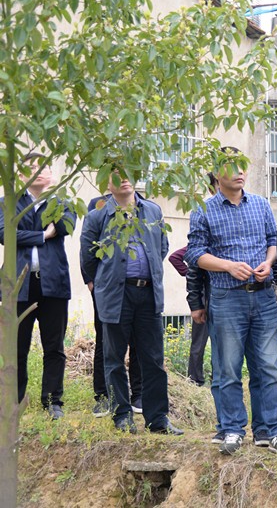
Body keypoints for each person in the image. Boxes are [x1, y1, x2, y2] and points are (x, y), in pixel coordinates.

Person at [185, 148, 277, 456]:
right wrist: (228, 265)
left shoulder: (261, 204)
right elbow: (195, 254)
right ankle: (232, 429)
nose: (239, 171)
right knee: (228, 368)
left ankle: (273, 430)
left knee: (269, 366)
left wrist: (269, 263)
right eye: (230, 166)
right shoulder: (203, 209)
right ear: (216, 174)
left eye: (242, 165)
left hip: (262, 296)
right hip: (226, 297)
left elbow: (273, 241)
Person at [80, 174, 183, 435]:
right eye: (116, 176)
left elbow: (162, 247)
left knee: (153, 358)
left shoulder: (152, 210)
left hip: (148, 294)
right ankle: (121, 415)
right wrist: (99, 285)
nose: (124, 180)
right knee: (114, 358)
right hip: (116, 294)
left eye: (128, 175)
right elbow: (88, 257)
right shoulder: (98, 215)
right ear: (107, 183)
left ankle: (158, 419)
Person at [0, 152, 74, 420]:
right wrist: (43, 234)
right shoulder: (8, 203)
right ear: (21, 175)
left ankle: (53, 401)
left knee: (54, 346)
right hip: (19, 285)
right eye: (32, 167)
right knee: (17, 347)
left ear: (51, 174)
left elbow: (66, 225)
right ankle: (15, 401)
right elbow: (5, 233)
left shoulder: (61, 202)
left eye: (43, 167)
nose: (39, 171)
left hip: (53, 283)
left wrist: (26, 234)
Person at [83, 192, 143, 417]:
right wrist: (92, 281)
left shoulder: (142, 204)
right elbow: (88, 249)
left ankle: (138, 394)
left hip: (137, 288)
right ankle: (103, 396)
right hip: (107, 287)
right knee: (105, 342)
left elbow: (157, 247)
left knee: (138, 342)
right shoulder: (98, 204)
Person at [168, 172, 220, 387]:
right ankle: (194, 379)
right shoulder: (204, 216)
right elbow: (177, 256)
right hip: (204, 293)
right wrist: (189, 273)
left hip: (225, 292)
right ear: (212, 188)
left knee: (221, 342)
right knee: (199, 341)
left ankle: (217, 378)